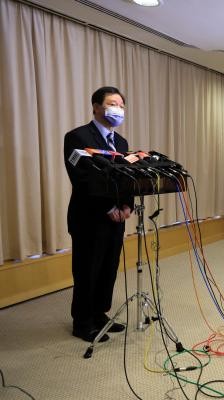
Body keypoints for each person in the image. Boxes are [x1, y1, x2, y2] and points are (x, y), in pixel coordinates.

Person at [63, 86, 133, 342]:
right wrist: (108, 208)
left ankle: (99, 313)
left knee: (108, 269)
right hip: (89, 218)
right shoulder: (77, 137)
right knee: (87, 270)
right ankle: (82, 322)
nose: (118, 109)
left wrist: (126, 206)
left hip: (117, 220)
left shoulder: (121, 142)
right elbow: (81, 178)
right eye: (113, 104)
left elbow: (126, 177)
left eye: (121, 106)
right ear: (96, 107)